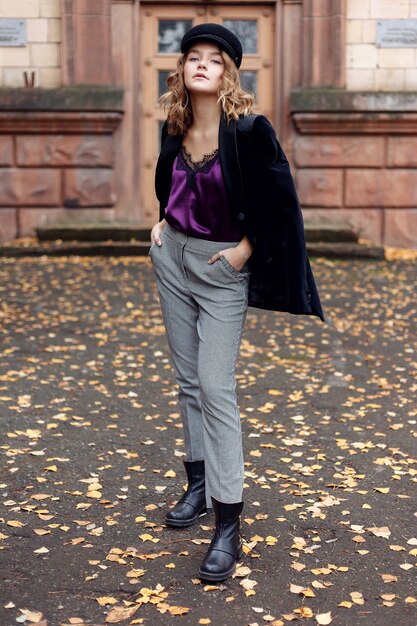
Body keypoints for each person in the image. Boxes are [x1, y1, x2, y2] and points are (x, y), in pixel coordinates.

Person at [150, 23, 324, 583]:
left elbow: (280, 204)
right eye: (192, 57)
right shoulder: (174, 125)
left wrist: (243, 253)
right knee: (186, 380)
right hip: (171, 257)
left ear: (229, 73)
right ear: (182, 70)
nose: (201, 65)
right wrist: (160, 223)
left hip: (222, 271)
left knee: (215, 387)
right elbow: (170, 186)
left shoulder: (249, 131)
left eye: (214, 59)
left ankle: (228, 522)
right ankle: (197, 483)